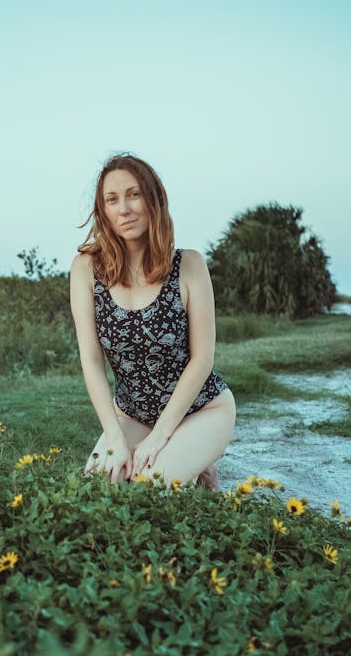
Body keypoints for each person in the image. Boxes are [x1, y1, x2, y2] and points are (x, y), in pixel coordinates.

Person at [70, 153, 236, 486]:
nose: (124, 209)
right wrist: (116, 438)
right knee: (96, 490)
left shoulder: (189, 265)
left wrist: (159, 439)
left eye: (134, 194)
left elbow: (202, 358)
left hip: (202, 411)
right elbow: (91, 361)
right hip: (132, 414)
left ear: (153, 199)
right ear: (103, 210)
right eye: (112, 200)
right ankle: (193, 468)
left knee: (148, 489)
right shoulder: (86, 269)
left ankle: (192, 457)